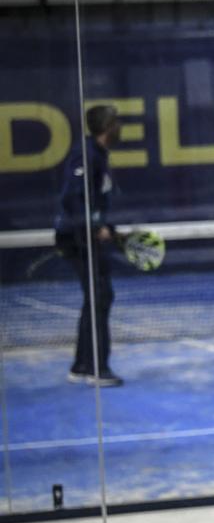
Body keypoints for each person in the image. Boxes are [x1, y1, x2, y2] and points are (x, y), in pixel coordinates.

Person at [54, 104, 123, 387]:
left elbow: (93, 200)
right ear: (108, 126)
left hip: (85, 235)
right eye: (117, 122)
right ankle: (97, 368)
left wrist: (104, 227)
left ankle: (82, 365)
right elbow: (74, 198)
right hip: (78, 239)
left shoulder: (98, 154)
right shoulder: (86, 155)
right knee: (100, 296)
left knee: (97, 297)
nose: (120, 127)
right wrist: (94, 227)